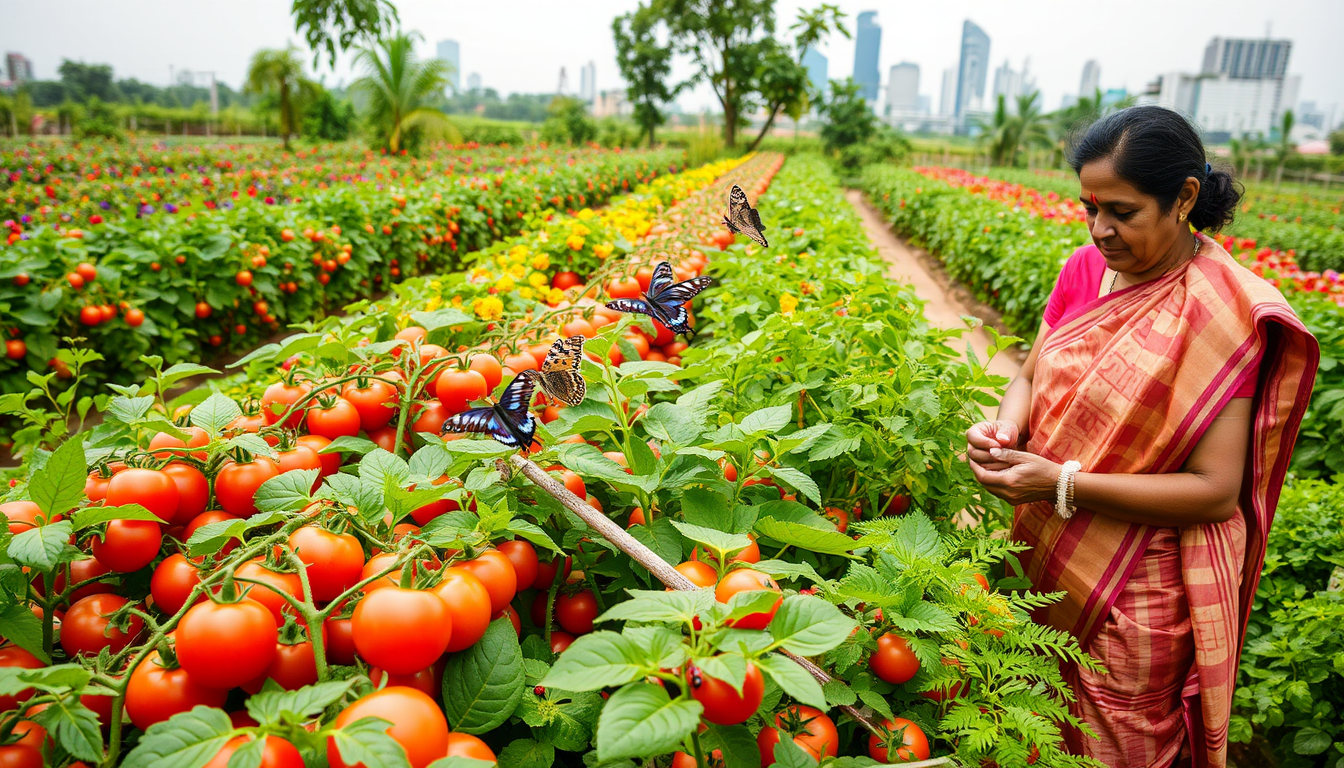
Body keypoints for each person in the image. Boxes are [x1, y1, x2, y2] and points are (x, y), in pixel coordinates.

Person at [965, 106, 1319, 767]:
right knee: (1017, 727)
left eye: (1122, 212)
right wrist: (1008, 426)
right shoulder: (1081, 271)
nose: (1101, 229)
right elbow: (1031, 375)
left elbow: (1216, 492)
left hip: (1134, 595)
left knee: (1111, 747)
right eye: (1089, 208)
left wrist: (1060, 482)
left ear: (1184, 197)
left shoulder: (1219, 312)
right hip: (1040, 565)